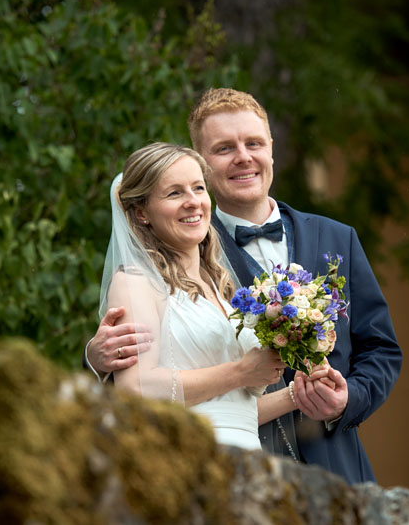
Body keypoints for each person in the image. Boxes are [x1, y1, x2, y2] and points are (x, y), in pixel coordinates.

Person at [88, 88, 402, 484]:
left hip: (332, 464)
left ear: (271, 148)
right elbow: (138, 372)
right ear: (202, 160)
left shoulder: (337, 239)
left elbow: (381, 349)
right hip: (221, 464)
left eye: (254, 143)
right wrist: (94, 360)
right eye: (224, 148)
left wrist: (342, 399)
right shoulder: (179, 244)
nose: (243, 157)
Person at [99, 142, 301, 450]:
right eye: (175, 193)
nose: (193, 202)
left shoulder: (222, 289)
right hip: (186, 457)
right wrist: (240, 372)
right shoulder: (135, 283)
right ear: (141, 213)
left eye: (198, 188)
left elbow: (232, 410)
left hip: (247, 457)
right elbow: (136, 389)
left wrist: (295, 394)